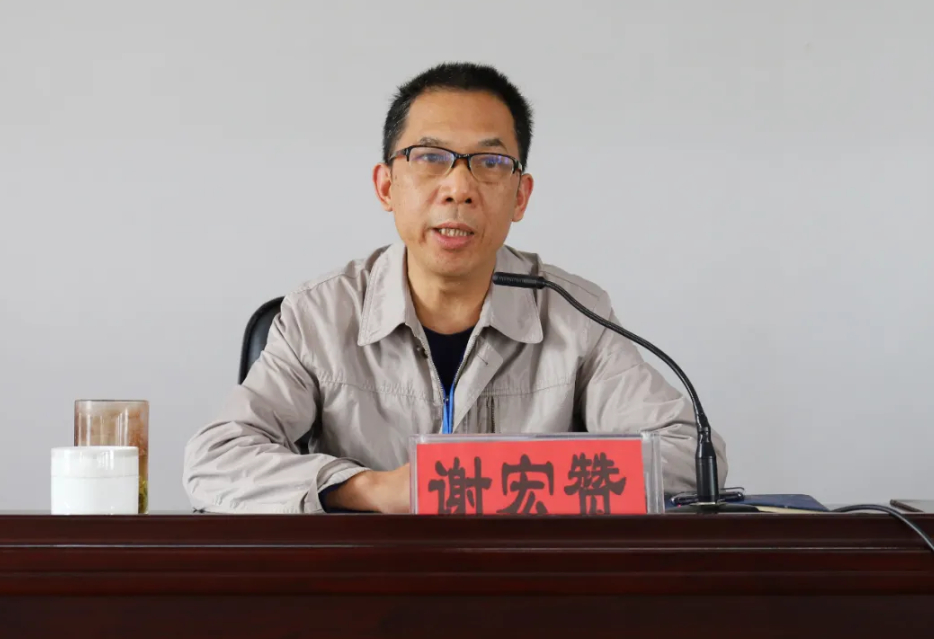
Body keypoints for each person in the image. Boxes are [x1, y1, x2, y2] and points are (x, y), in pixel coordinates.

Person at [183, 62, 727, 514]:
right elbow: (214, 461)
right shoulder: (320, 314)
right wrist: (371, 490)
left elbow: (689, 458)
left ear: (520, 196)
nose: (459, 188)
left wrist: (498, 480)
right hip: (365, 591)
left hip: (525, 587)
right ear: (386, 186)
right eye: (430, 158)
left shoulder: (575, 313)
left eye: (490, 163)